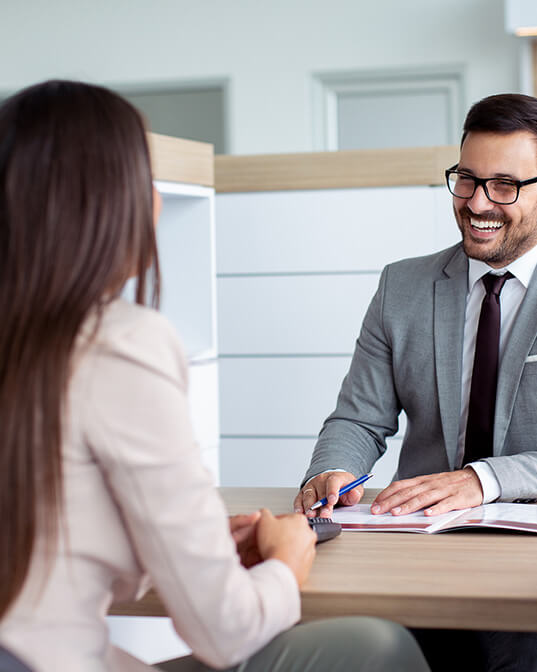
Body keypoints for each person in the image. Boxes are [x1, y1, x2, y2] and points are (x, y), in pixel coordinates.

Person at [0, 80, 430, 672]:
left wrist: (188, 544)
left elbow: (48, 553)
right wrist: (287, 562)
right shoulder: (119, 343)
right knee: (375, 649)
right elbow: (226, 633)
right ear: (109, 202)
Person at [294, 92, 537, 672]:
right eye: (467, 179)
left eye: (505, 185)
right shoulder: (401, 286)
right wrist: (332, 470)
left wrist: (483, 480)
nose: (479, 202)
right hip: (416, 551)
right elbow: (358, 418)